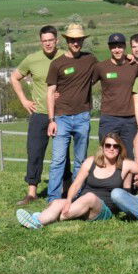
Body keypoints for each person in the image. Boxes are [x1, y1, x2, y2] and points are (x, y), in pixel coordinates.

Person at [16, 133, 138, 229]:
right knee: (58, 202)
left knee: (90, 197)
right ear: (103, 147)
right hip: (81, 203)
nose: (111, 149)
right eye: (108, 145)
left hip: (103, 209)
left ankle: (38, 218)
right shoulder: (90, 161)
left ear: (119, 149)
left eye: (115, 146)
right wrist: (69, 200)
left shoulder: (125, 164)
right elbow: (76, 184)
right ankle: (38, 220)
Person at [11, 25, 70, 206]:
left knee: (63, 154)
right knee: (35, 152)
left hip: (61, 114)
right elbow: (14, 77)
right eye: (44, 41)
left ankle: (67, 189)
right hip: (39, 114)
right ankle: (32, 193)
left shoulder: (66, 56)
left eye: (51, 40)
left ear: (56, 41)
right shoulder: (32, 59)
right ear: (41, 42)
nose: (48, 44)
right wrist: (24, 101)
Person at [45, 23, 98, 201]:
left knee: (81, 162)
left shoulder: (90, 59)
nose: (76, 43)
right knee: (58, 161)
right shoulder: (57, 64)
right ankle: (53, 198)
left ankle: (75, 196)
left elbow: (106, 70)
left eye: (79, 40)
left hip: (83, 117)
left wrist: (128, 57)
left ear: (83, 41)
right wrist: (51, 120)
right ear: (67, 41)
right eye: (73, 40)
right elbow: (51, 92)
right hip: (61, 118)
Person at [92, 33, 138, 158]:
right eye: (114, 47)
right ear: (109, 48)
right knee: (107, 154)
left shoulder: (133, 66)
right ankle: (107, 177)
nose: (117, 50)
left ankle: (127, 178)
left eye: (120, 46)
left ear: (125, 47)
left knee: (128, 155)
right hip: (109, 118)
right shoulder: (101, 67)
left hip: (130, 119)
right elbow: (85, 85)